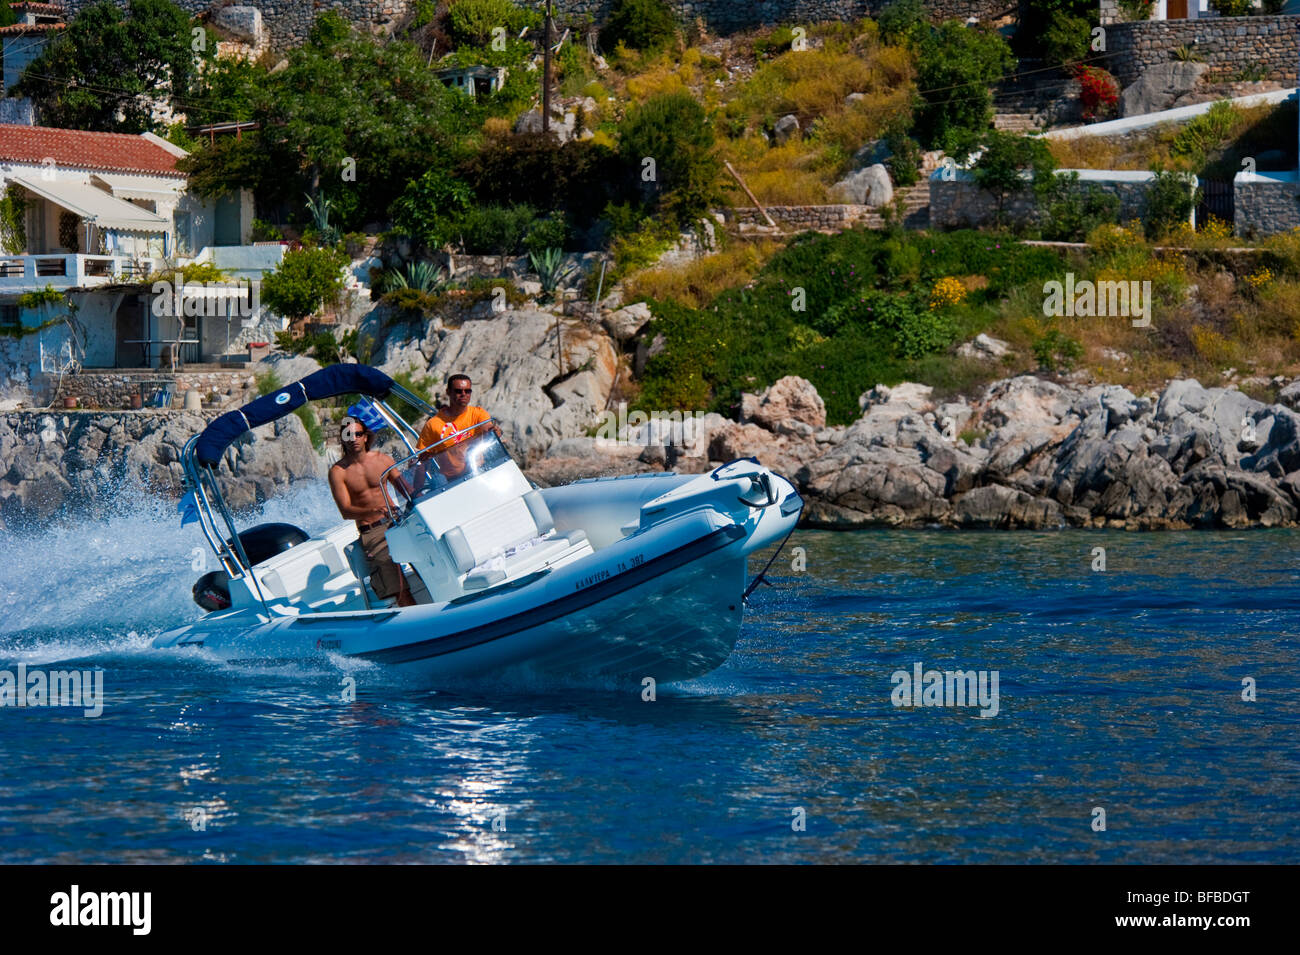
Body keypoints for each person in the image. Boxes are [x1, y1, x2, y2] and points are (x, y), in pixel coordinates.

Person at [328, 415, 416, 607]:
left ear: (366, 436)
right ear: (343, 439)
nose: (354, 439)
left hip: (398, 522)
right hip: (372, 532)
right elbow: (346, 510)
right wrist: (374, 509)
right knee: (399, 589)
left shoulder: (383, 460)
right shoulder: (338, 471)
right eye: (348, 435)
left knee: (427, 566)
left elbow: (406, 490)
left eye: (358, 434)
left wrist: (421, 486)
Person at [416, 374, 504, 479]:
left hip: (481, 472)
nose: (463, 394)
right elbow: (421, 461)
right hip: (453, 482)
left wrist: (495, 431)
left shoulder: (478, 414)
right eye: (458, 391)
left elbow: (488, 428)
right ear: (448, 392)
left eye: (467, 391)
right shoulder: (433, 424)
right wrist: (417, 492)